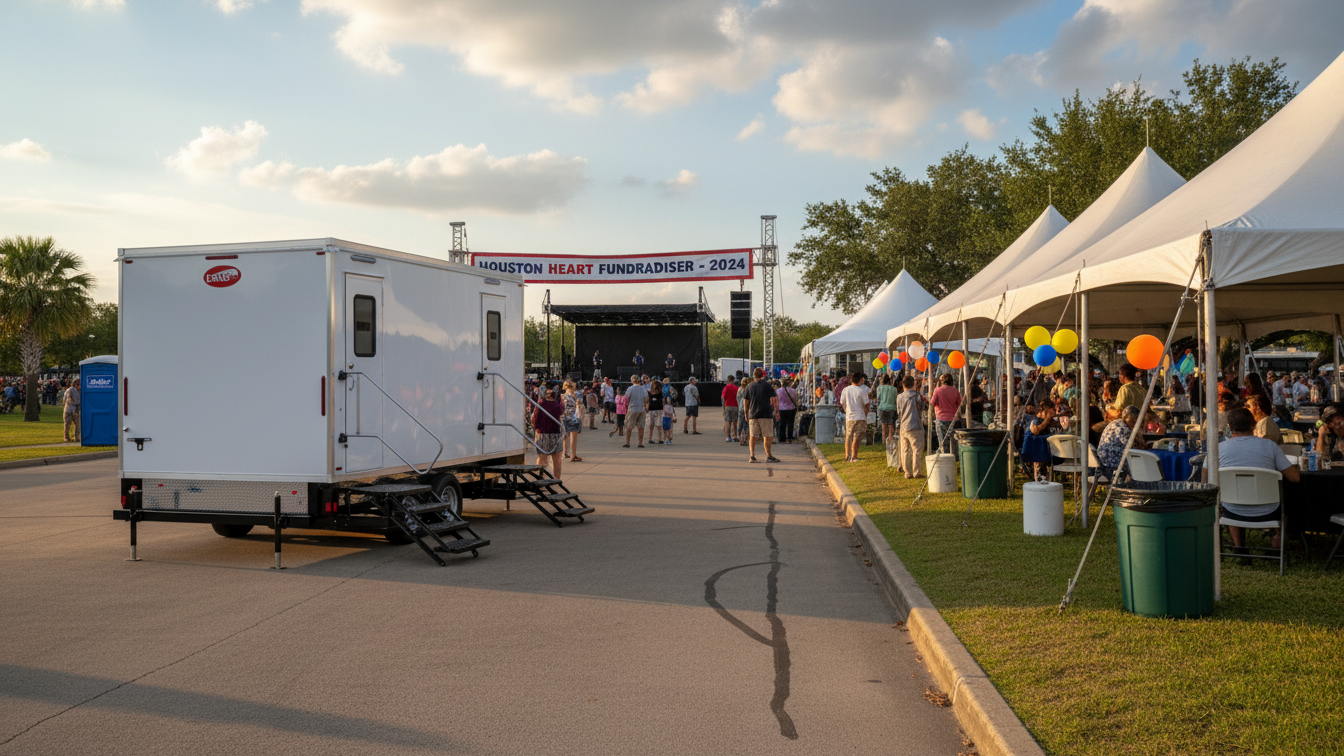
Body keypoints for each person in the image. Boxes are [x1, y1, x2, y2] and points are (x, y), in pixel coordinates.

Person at [1219, 407, 1300, 556]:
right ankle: (1279, 540)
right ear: (1254, 425)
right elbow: (1295, 477)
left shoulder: (1218, 449)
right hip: (1269, 512)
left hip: (1232, 513)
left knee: (1229, 494)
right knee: (1288, 492)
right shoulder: (1270, 446)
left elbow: (1206, 481)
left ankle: (1239, 548)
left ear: (1229, 427)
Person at [1096, 405, 1143, 482]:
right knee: (1139, 464)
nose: (1137, 424)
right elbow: (1133, 449)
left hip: (1102, 461)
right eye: (1136, 421)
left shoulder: (1115, 423)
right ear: (1132, 419)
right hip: (1111, 464)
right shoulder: (1124, 429)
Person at [744, 367, 780, 463]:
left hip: (753, 414)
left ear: (754, 375)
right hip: (766, 413)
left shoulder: (749, 386)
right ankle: (768, 455)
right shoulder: (767, 385)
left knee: (753, 435)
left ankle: (752, 456)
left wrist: (746, 413)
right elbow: (774, 398)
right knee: (767, 435)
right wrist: (776, 411)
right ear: (762, 375)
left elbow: (746, 401)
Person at [532, 385, 566, 478]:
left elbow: (534, 420)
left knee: (542, 458)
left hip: (543, 434)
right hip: (556, 433)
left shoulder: (541, 403)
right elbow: (562, 412)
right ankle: (557, 479)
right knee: (557, 459)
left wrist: (537, 428)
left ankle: (540, 478)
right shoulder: (558, 404)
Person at [895, 376, 925, 478]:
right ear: (913, 384)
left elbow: (899, 412)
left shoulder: (899, 397)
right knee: (917, 449)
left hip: (904, 425)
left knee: (905, 450)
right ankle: (916, 471)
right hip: (915, 424)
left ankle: (907, 472)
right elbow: (921, 407)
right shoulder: (916, 396)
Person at [930, 373, 961, 453]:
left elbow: (932, 403)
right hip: (952, 419)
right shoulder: (956, 391)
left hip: (941, 419)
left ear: (941, 381)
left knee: (942, 442)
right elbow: (959, 405)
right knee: (952, 441)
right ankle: (952, 457)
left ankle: (944, 458)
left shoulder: (938, 390)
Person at [623, 375, 649, 448]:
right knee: (641, 427)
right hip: (641, 408)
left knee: (629, 426)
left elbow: (626, 399)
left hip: (632, 408)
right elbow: (646, 399)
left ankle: (628, 442)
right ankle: (640, 443)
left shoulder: (630, 389)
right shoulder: (643, 388)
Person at [561, 380, 583, 462]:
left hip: (564, 417)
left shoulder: (562, 396)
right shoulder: (576, 395)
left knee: (564, 436)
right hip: (573, 417)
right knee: (573, 436)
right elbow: (579, 404)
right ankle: (573, 455)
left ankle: (564, 452)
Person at [875, 374, 900, 445]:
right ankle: (891, 440)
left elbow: (879, 399)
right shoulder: (894, 389)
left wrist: (878, 406)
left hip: (882, 408)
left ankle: (884, 441)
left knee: (884, 425)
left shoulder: (879, 388)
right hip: (892, 408)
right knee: (891, 425)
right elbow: (896, 399)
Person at [776, 377, 799, 443]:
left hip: (782, 409)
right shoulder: (793, 391)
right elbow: (795, 399)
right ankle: (789, 438)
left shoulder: (778, 391)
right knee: (790, 423)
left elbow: (778, 400)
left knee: (782, 424)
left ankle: (782, 439)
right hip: (791, 409)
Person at [721, 377, 740, 442]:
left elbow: (723, 398)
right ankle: (735, 436)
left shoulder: (726, 388)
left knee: (727, 422)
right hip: (735, 406)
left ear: (728, 380)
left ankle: (728, 437)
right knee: (735, 422)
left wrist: (723, 408)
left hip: (728, 406)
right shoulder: (736, 388)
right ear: (733, 380)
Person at [647, 379, 665, 444]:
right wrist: (646, 407)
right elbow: (647, 401)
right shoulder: (649, 393)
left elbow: (663, 401)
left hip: (659, 409)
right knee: (651, 424)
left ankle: (660, 438)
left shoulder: (660, 394)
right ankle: (650, 438)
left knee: (659, 424)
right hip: (651, 409)